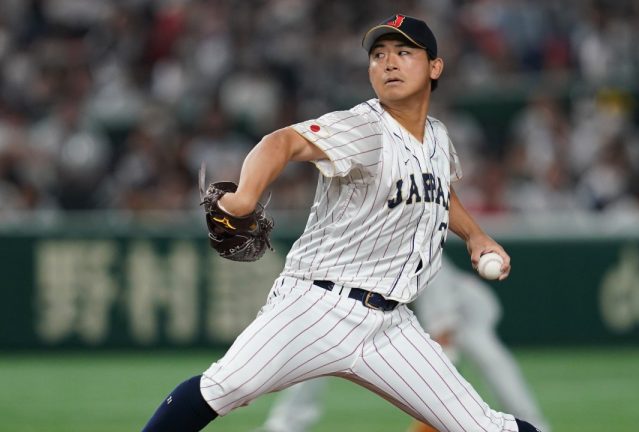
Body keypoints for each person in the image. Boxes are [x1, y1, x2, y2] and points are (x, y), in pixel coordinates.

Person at [142, 14, 542, 432]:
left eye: (404, 52)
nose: (388, 62)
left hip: (392, 325)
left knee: (488, 427)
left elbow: (437, 189)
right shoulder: (364, 128)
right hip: (317, 306)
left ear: (435, 67)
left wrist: (476, 236)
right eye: (378, 55)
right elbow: (281, 142)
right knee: (222, 388)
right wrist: (244, 196)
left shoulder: (438, 137)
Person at [255, 257, 551, 432]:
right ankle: (284, 424)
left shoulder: (417, 251)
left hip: (464, 309)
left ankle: (531, 423)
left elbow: (443, 337)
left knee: (488, 357)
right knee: (321, 347)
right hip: (397, 314)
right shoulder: (360, 252)